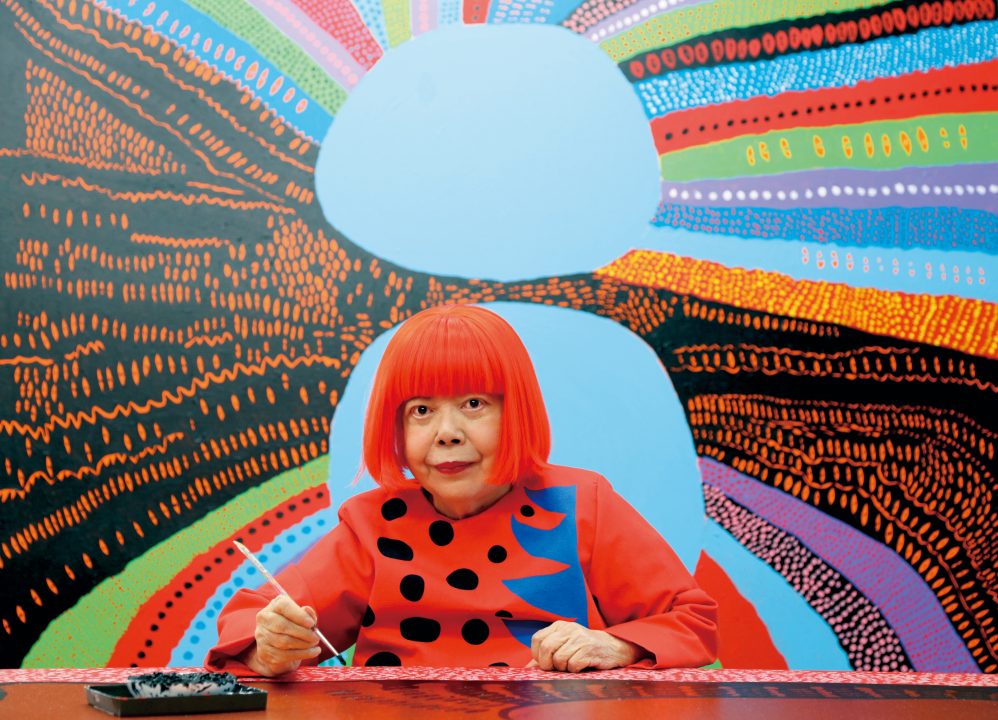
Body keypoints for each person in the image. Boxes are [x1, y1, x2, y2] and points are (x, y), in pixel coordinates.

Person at [206, 305, 718, 674]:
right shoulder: (372, 525)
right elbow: (251, 618)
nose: (446, 432)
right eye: (421, 411)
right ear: (396, 430)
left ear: (515, 412)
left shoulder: (582, 503)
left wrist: (617, 646)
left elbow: (692, 622)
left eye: (473, 403)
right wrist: (269, 647)